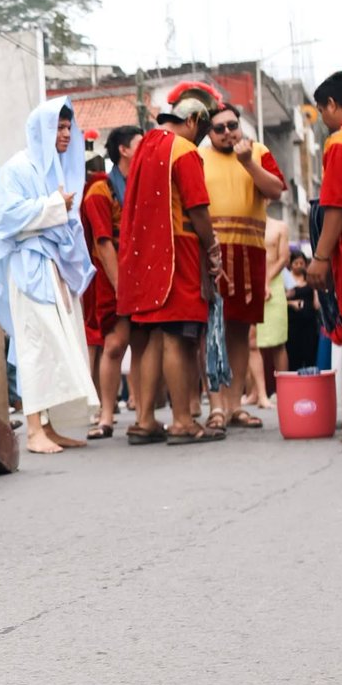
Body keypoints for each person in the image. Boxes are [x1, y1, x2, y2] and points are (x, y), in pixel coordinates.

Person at [0, 97, 97, 454]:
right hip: (29, 268)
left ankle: (51, 425)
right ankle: (34, 430)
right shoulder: (17, 168)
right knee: (35, 345)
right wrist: (54, 207)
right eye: (58, 128)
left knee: (56, 347)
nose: (65, 134)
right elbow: (4, 218)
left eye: (68, 128)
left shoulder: (56, 170)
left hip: (54, 267)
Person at [118, 82, 224, 445]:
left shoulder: (145, 145)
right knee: (178, 338)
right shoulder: (183, 151)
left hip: (145, 257)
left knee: (149, 339)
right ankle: (182, 420)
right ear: (193, 119)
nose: (202, 141)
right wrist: (213, 250)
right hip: (178, 254)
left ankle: (145, 420)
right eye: (204, 132)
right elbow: (198, 208)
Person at [199, 105, 285, 432]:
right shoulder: (198, 157)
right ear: (208, 133)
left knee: (239, 331)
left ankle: (234, 406)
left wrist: (248, 162)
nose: (227, 133)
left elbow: (276, 190)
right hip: (213, 252)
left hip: (249, 251)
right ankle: (216, 407)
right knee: (211, 332)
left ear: (240, 125)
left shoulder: (259, 151)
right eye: (218, 128)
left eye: (231, 125)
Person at [82, 125, 142, 439]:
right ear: (124, 149)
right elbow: (102, 243)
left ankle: (145, 414)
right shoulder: (100, 190)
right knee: (115, 345)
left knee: (146, 344)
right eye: (139, 144)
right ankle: (106, 414)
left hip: (145, 270)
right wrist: (121, 285)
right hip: (113, 276)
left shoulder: (145, 184)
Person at [307, 73, 342, 309]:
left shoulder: (338, 143)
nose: (322, 117)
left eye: (321, 111)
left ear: (331, 103)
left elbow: (336, 206)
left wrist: (320, 258)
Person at [254, 213, 290, 393]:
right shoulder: (248, 224)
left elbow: (284, 258)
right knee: (250, 342)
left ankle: (283, 390)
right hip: (252, 284)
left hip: (274, 285)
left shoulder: (280, 226)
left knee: (278, 342)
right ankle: (255, 392)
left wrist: (267, 281)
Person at [286, 249, 319, 370]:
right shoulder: (287, 280)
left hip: (309, 323)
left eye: (301, 263)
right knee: (294, 356)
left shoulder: (310, 279)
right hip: (293, 324)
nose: (299, 266)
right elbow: (281, 299)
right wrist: (291, 303)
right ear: (291, 264)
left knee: (310, 354)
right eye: (296, 263)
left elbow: (316, 303)